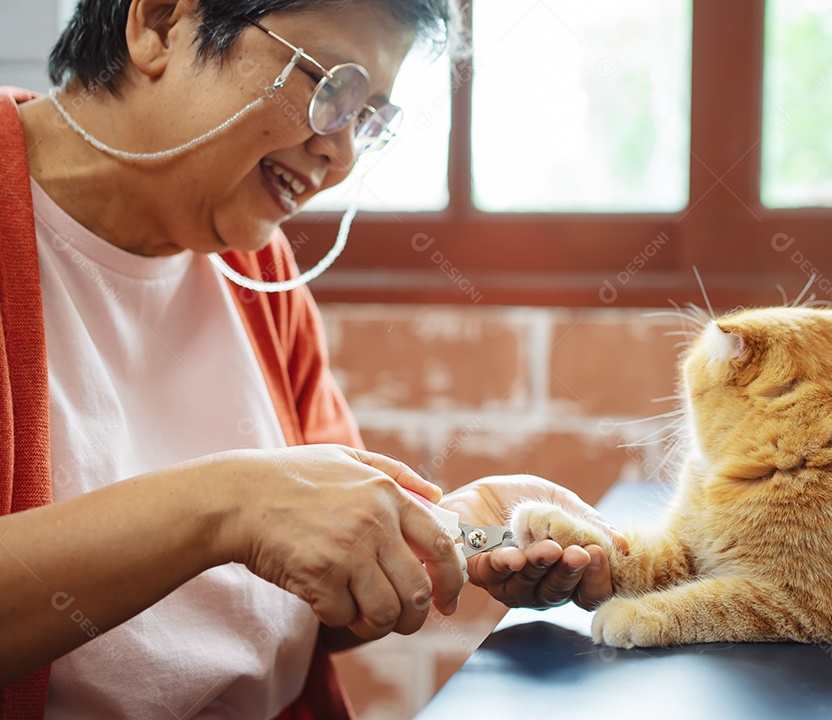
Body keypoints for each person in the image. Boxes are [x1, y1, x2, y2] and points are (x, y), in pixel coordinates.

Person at [0, 1, 626, 717]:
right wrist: (227, 506)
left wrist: (449, 533)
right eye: (329, 85)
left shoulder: (259, 275)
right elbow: (255, 506)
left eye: (368, 121)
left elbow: (316, 595)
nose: (343, 155)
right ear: (162, 23)